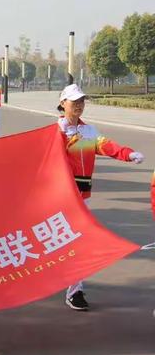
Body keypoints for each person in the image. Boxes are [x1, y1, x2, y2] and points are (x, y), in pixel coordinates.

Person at [57, 84, 144, 311]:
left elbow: (107, 146)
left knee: (76, 244)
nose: (79, 105)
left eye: (82, 101)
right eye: (74, 101)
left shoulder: (88, 132)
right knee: (68, 244)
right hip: (62, 198)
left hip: (82, 196)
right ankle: (66, 287)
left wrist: (128, 154)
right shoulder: (56, 132)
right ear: (62, 103)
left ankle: (74, 290)